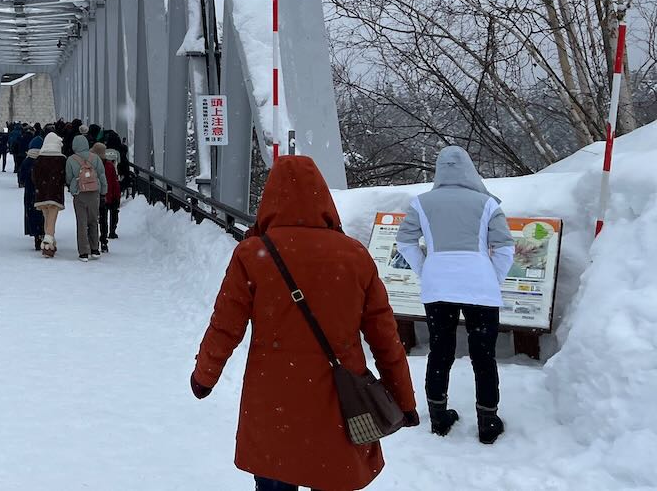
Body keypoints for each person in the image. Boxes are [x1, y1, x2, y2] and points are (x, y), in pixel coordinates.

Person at [191, 156, 418, 491]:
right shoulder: (354, 256)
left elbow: (225, 325)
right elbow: (385, 338)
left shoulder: (254, 254)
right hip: (339, 400)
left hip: (274, 398)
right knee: (331, 473)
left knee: (276, 473)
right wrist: (404, 399)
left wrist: (204, 376)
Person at [396, 146, 515, 444]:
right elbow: (504, 247)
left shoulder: (421, 204)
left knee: (440, 350)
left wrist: (427, 269)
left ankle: (438, 417)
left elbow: (405, 241)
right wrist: (492, 277)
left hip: (438, 287)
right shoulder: (486, 203)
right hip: (480, 287)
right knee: (483, 355)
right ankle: (488, 421)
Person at [65, 133, 106, 261]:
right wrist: (103, 191)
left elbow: (69, 178)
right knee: (94, 220)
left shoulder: (71, 159)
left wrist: (72, 188)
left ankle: (83, 252)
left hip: (80, 193)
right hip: (94, 192)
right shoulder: (95, 158)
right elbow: (101, 175)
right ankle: (95, 249)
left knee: (82, 222)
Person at [32, 131, 67, 257]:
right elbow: (65, 177)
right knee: (52, 218)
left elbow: (34, 176)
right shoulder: (61, 159)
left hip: (41, 193)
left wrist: (40, 185)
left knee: (47, 218)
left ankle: (50, 244)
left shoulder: (39, 159)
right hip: (55, 193)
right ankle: (48, 241)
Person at [94, 137, 122, 252]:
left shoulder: (93, 165)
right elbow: (114, 182)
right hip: (108, 196)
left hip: (94, 195)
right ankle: (105, 239)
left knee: (95, 219)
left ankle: (93, 241)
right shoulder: (109, 166)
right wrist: (117, 195)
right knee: (104, 219)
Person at [18, 136, 43, 249]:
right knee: (43, 213)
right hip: (43, 192)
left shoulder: (27, 161)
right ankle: (43, 232)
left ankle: (36, 234)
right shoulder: (44, 160)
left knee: (32, 213)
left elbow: (21, 177)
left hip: (30, 192)